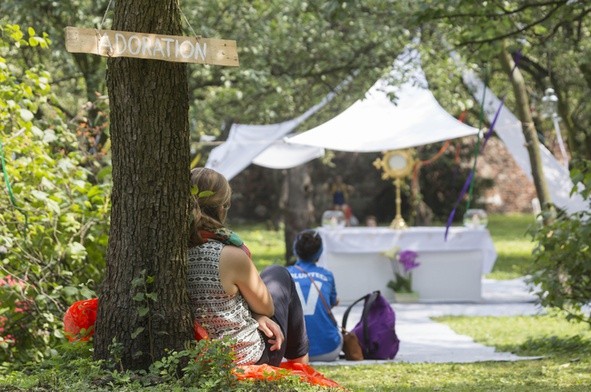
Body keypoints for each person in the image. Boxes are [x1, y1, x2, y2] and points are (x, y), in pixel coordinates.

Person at [187, 167, 309, 366]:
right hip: (246, 357)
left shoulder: (169, 253)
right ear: (223, 207)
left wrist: (255, 315)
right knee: (278, 273)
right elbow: (267, 308)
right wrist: (259, 314)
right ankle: (301, 367)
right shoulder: (230, 255)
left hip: (198, 358)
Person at [287, 230, 342, 362]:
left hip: (292, 354)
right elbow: (332, 301)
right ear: (319, 253)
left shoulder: (284, 274)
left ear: (295, 250)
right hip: (329, 351)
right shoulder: (327, 275)